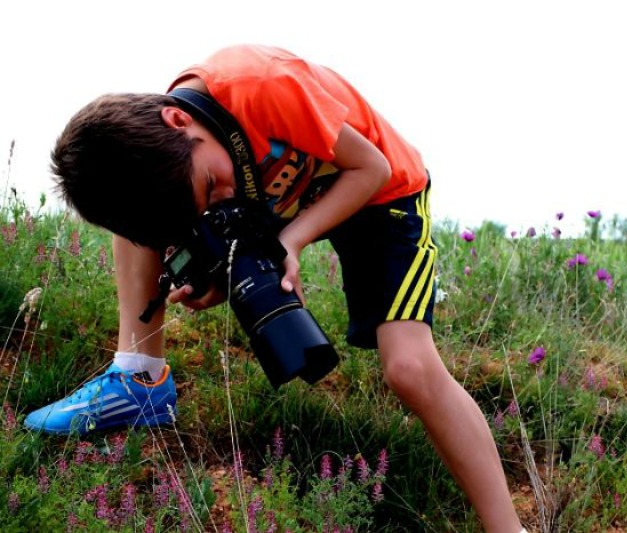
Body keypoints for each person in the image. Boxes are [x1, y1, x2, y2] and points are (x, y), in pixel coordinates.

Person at [25, 45, 526, 533]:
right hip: (283, 197)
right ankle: (140, 378)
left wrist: (292, 240)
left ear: (178, 121)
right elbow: (200, 198)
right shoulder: (171, 158)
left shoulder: (264, 85)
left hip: (379, 191)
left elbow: (369, 168)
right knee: (138, 217)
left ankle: (508, 527)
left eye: (210, 187)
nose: (218, 199)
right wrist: (215, 271)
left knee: (409, 369)